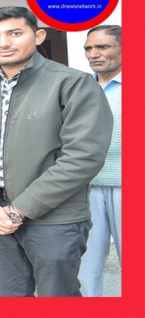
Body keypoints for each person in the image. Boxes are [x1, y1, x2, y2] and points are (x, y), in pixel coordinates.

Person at [0, 6, 113, 297]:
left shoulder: (73, 83)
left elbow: (83, 157)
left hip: (54, 216)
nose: (4, 42)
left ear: (38, 36)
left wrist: (19, 210)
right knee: (8, 296)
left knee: (57, 297)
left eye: (15, 33)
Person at [78, 25, 122, 297]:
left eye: (103, 47)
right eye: (88, 48)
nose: (93, 54)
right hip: (85, 187)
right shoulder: (80, 88)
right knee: (85, 265)